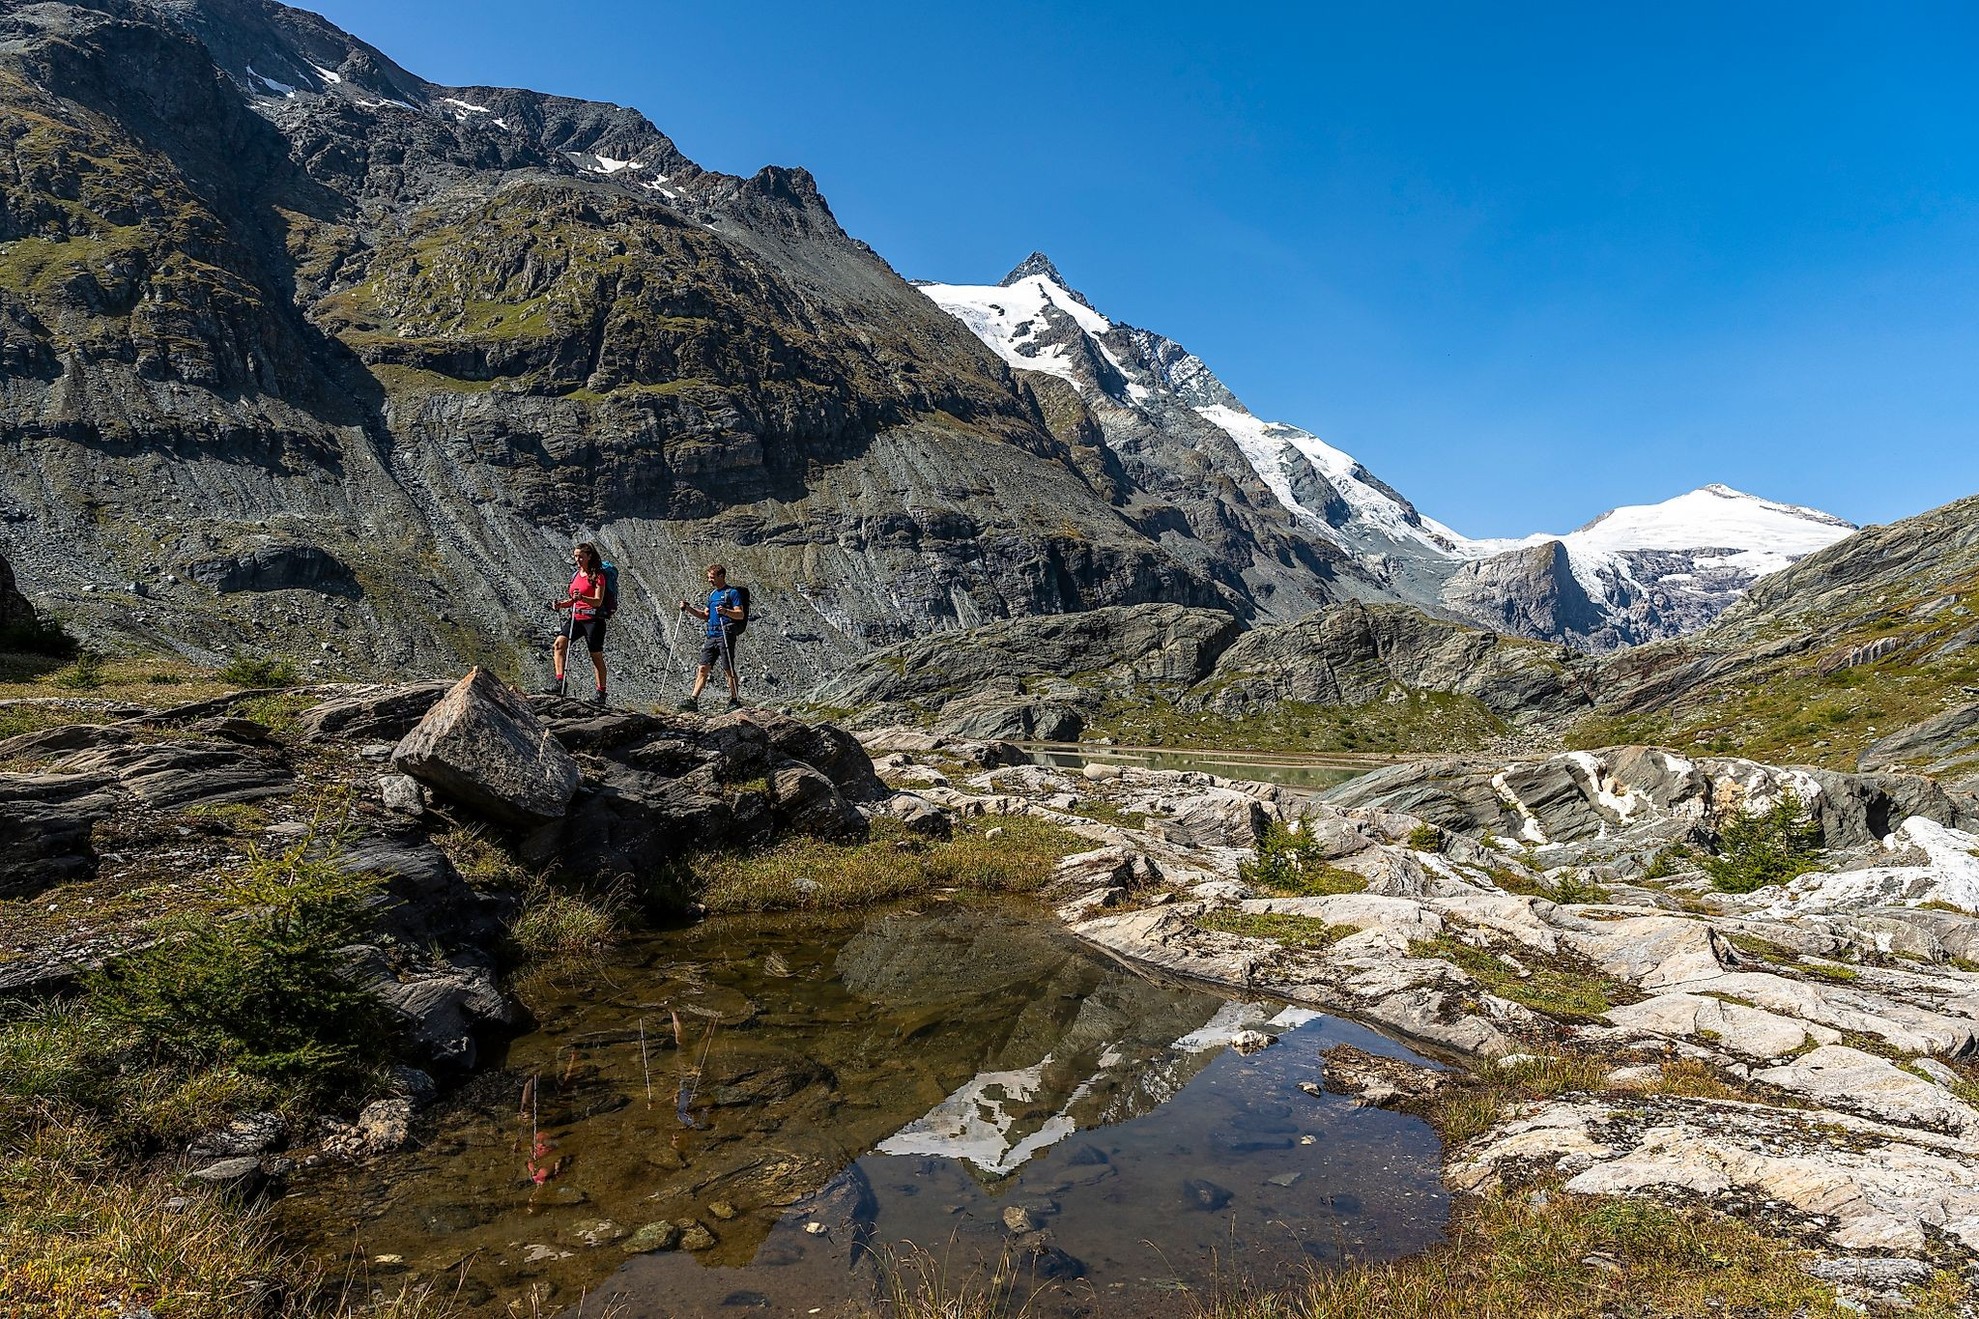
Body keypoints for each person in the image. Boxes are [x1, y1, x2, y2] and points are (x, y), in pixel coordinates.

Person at [548, 542, 608, 704]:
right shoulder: (576, 575)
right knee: (559, 645)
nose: (577, 559)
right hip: (576, 618)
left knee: (595, 656)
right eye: (575, 556)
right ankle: (560, 683)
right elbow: (574, 599)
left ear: (589, 556)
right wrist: (562, 604)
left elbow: (597, 601)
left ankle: (600, 693)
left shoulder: (598, 576)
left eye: (581, 556)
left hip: (593, 620)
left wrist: (582, 598)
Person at [679, 562, 743, 711]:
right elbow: (705, 615)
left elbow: (740, 614)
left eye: (712, 577)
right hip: (712, 634)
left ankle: (734, 700)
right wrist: (688, 608)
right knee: (703, 667)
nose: (709, 580)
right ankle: (693, 700)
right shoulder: (713, 595)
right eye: (709, 577)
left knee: (728, 669)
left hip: (725, 634)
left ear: (721, 576)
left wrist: (726, 612)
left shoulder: (732, 593)